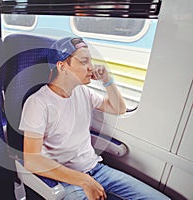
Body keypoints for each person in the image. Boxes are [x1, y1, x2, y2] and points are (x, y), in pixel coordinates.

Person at [19, 37, 170, 200]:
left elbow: (119, 108)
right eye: (84, 61)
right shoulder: (38, 103)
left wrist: (107, 80)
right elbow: (32, 161)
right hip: (65, 179)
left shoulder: (83, 92)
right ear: (62, 66)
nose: (91, 67)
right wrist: (83, 180)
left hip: (96, 169)